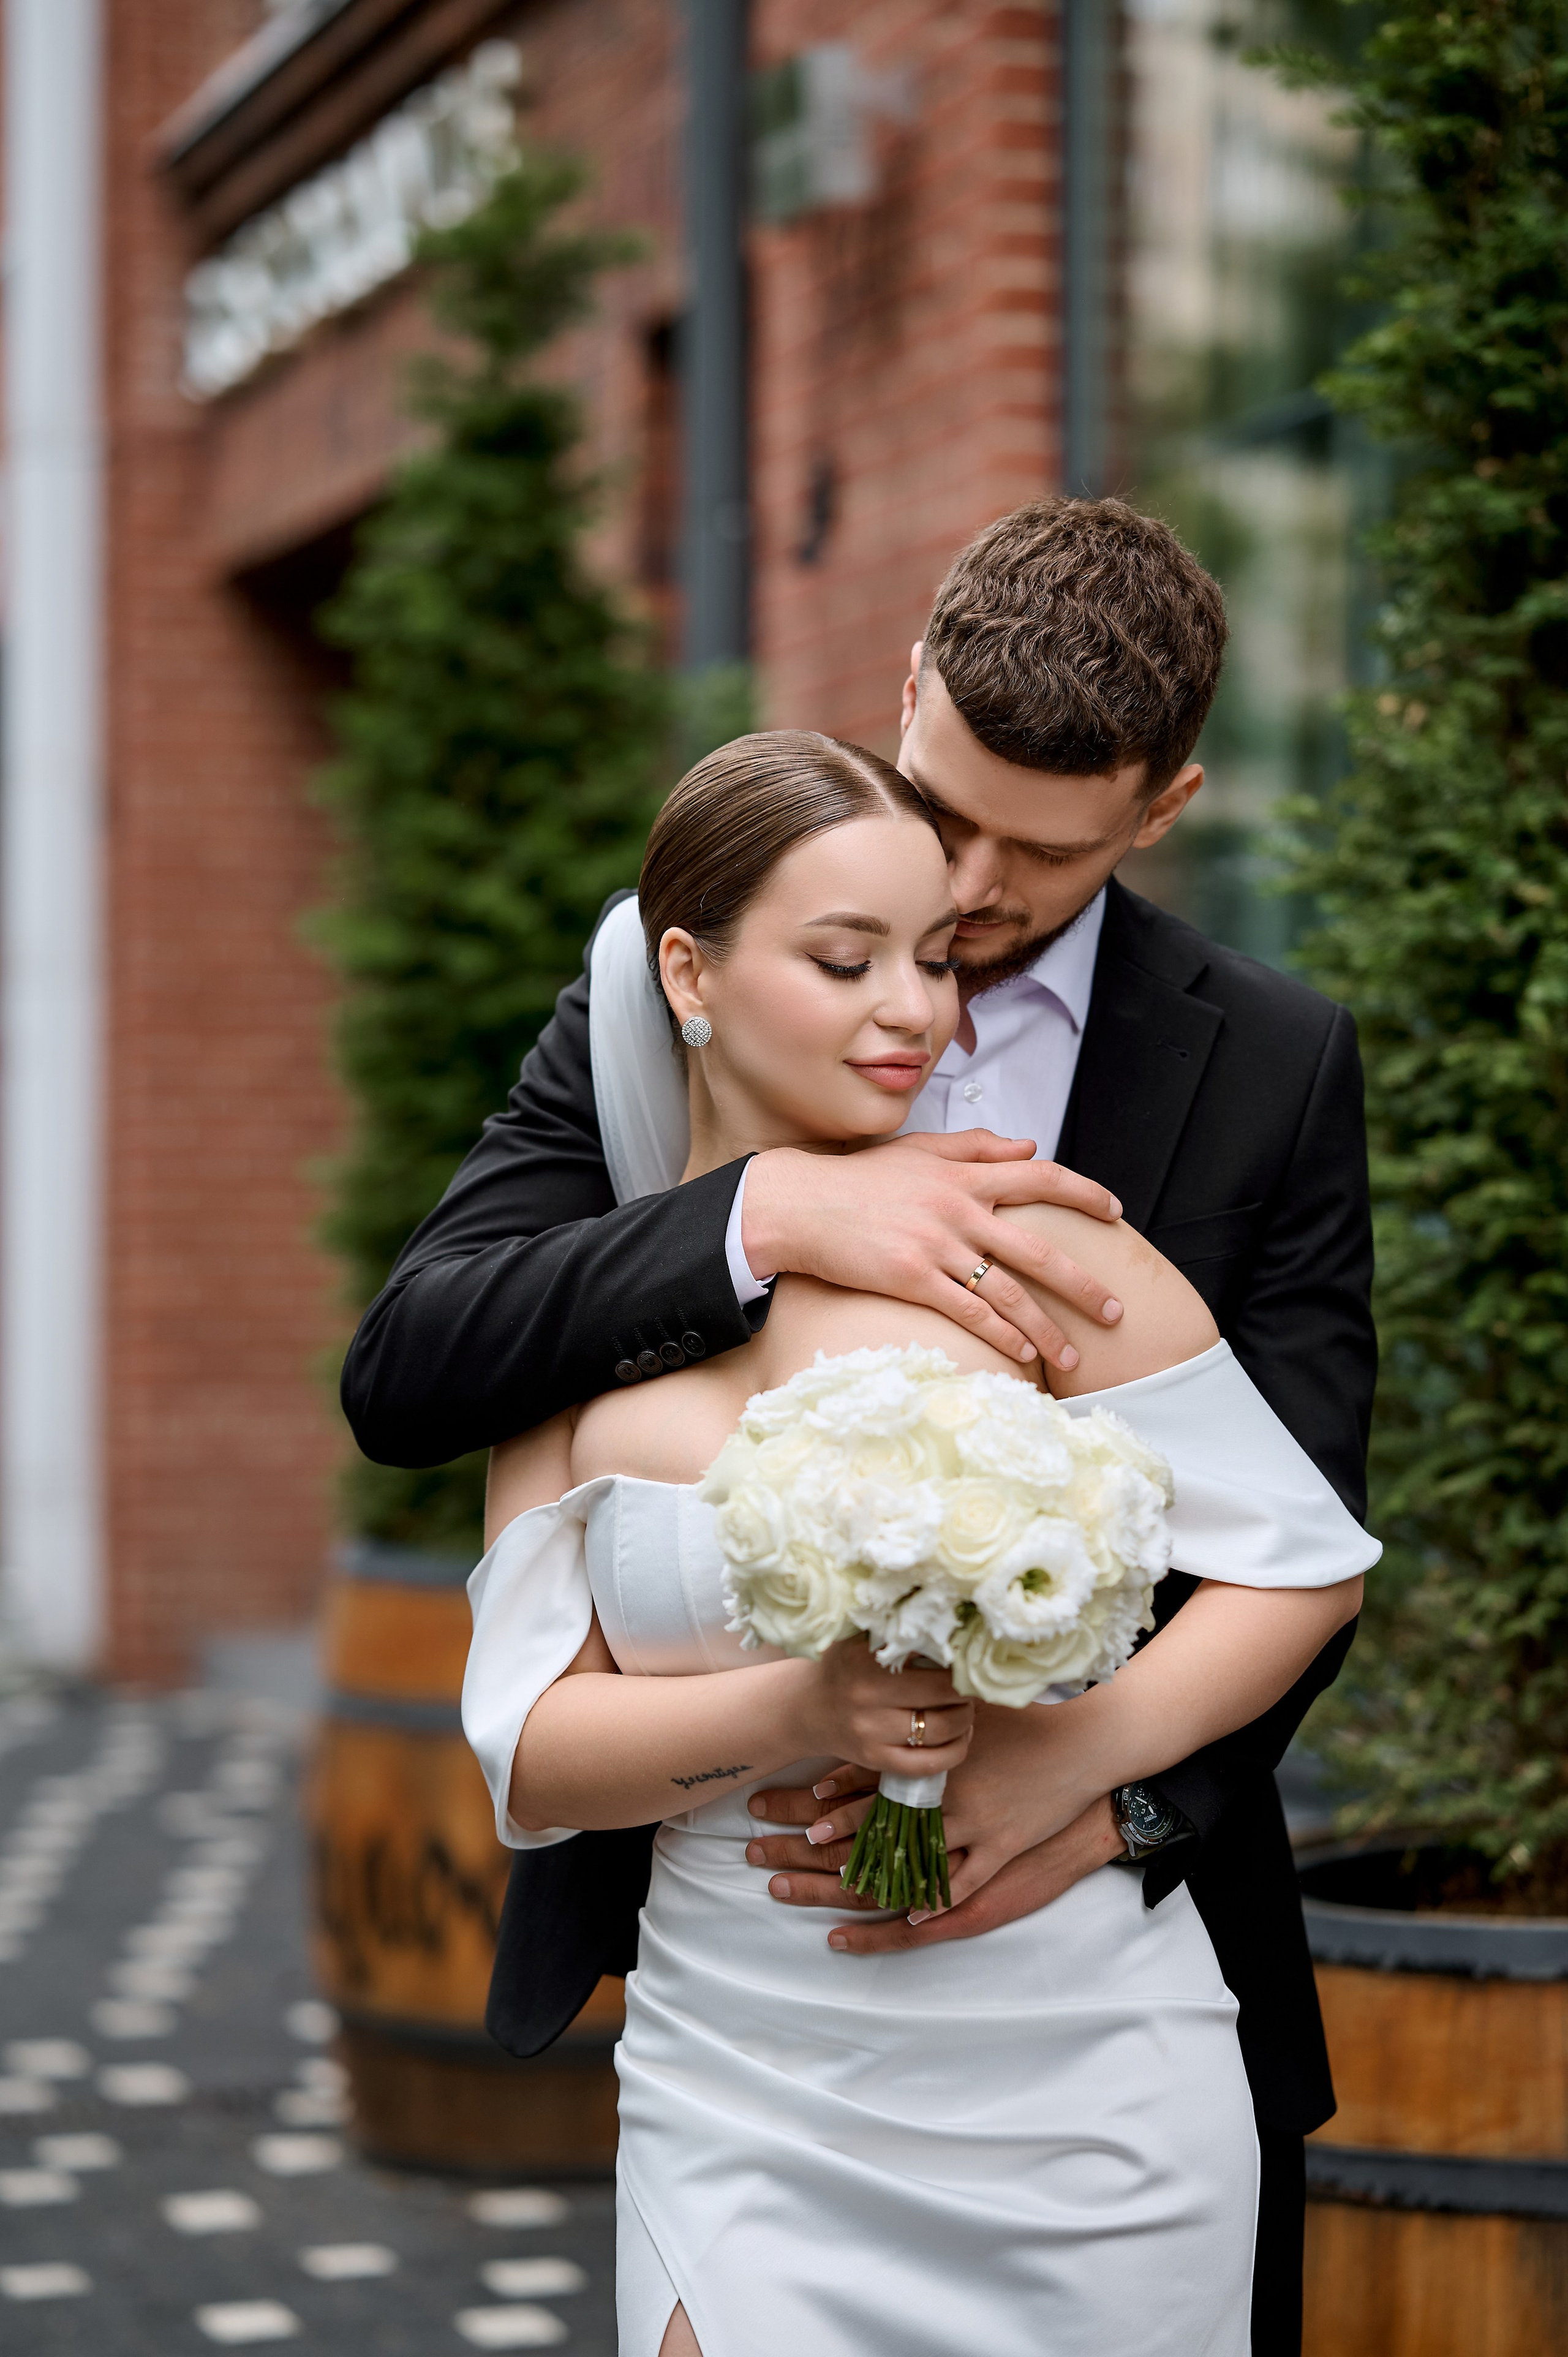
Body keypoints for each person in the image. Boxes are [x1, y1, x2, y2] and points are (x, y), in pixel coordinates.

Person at [340, 498, 1378, 2355]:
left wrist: (1085, 1782)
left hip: (1092, 2013)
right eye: (943, 809)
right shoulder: (663, 986)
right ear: (908, 692)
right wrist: (768, 1215)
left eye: (1037, 854)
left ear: (1163, 809)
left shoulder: (1272, 1070)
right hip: (743, 2031)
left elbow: (1297, 1526)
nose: (960, 902)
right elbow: (423, 1360)